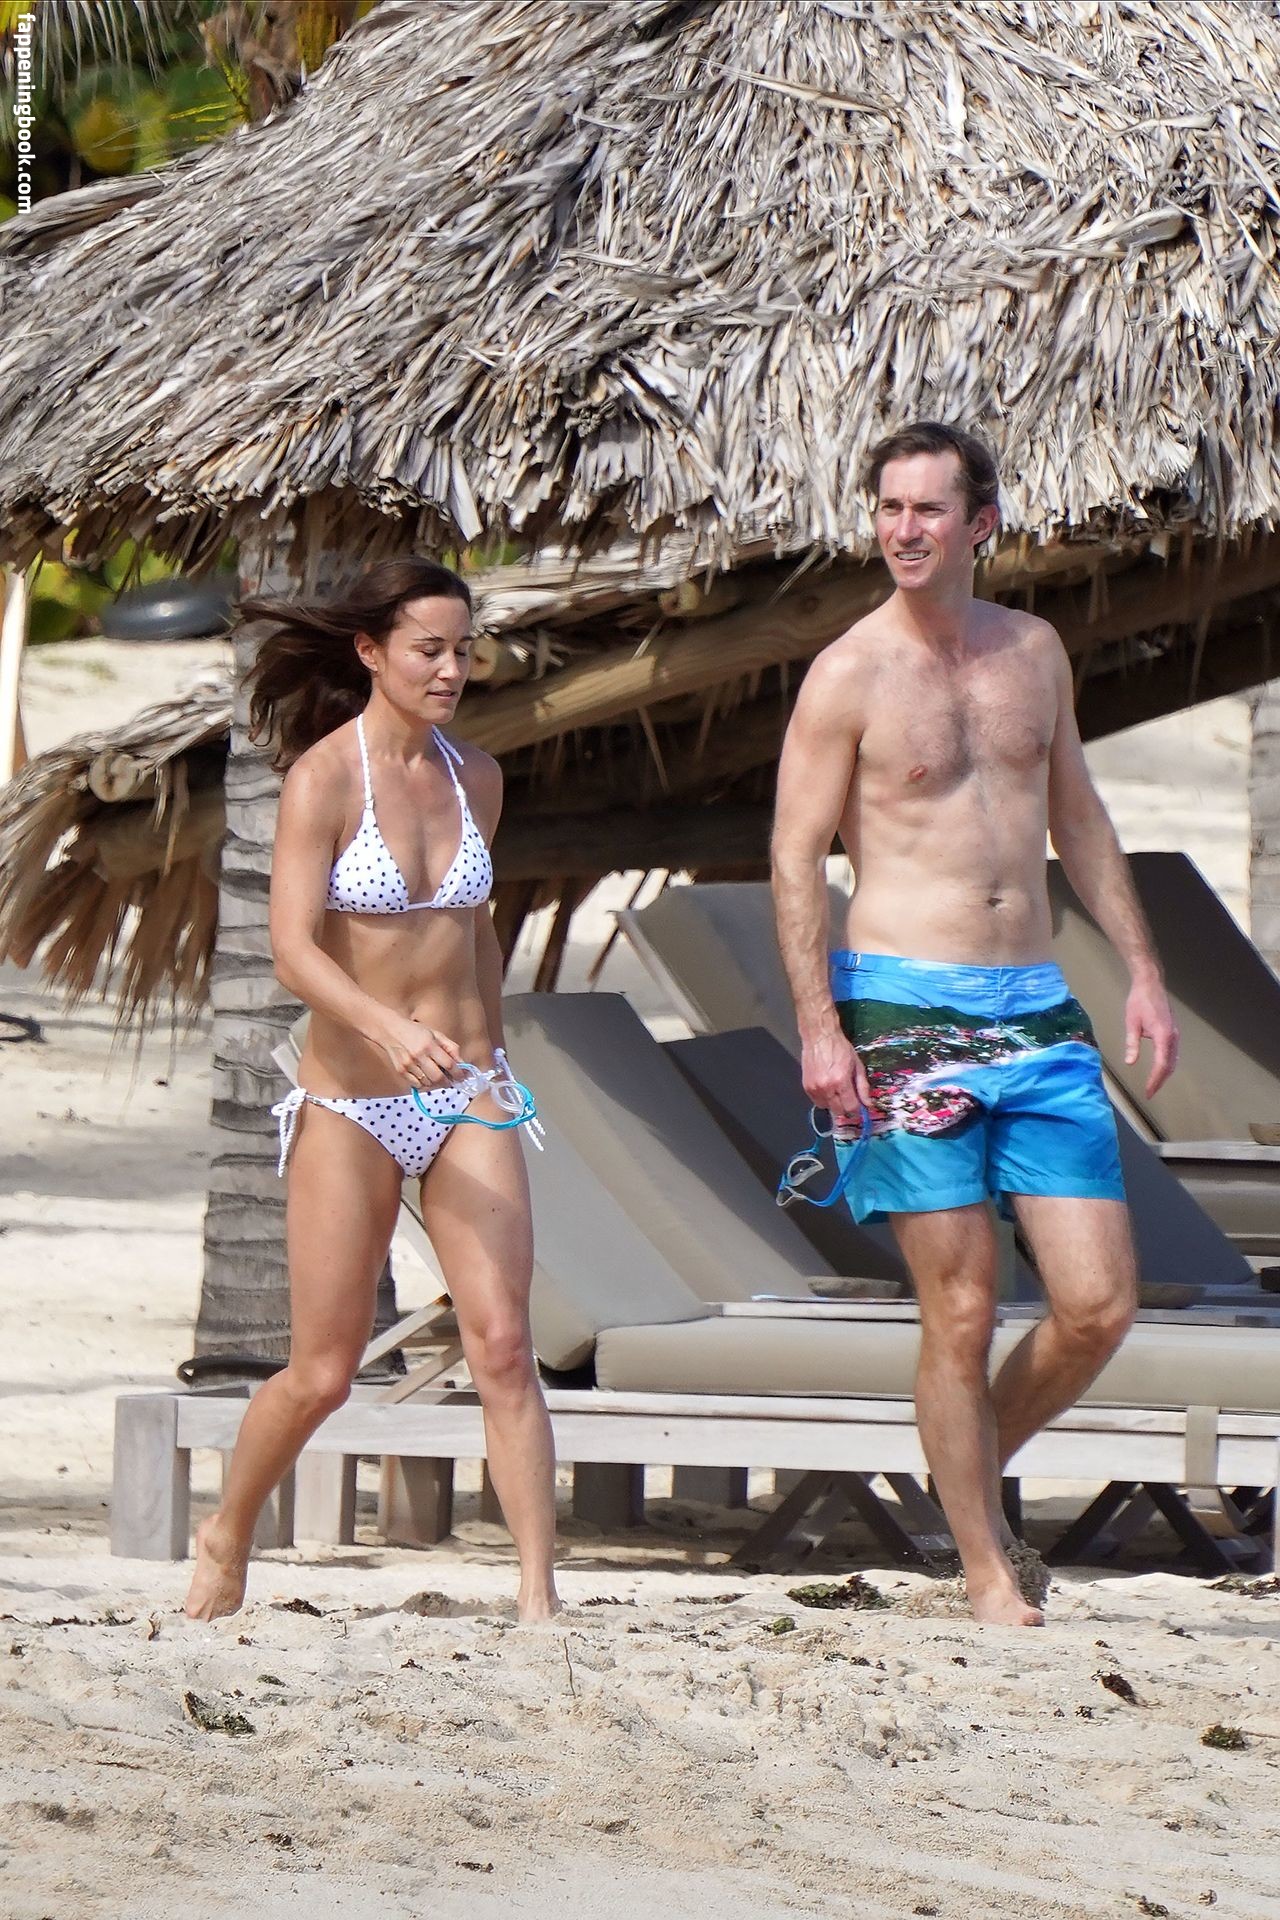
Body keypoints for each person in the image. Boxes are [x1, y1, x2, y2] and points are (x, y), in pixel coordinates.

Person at [771, 421, 1178, 1627]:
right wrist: (818, 1028)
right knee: (958, 1306)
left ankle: (959, 1479)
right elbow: (793, 858)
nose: (902, 530)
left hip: (1036, 1009)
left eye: (927, 510)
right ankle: (986, 1564)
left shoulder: (1032, 652)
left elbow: (1079, 820)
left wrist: (1141, 971)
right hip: (901, 1009)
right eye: (887, 508)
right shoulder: (846, 673)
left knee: (1097, 1305)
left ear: (980, 523)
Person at [184, 557, 560, 1625]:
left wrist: (495, 1061)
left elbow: (473, 932)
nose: (450, 670)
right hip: (351, 1103)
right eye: (427, 650)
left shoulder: (477, 776)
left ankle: (539, 1600)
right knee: (323, 1370)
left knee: (502, 1345)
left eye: (462, 650)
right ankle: (228, 1532)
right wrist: (387, 1030)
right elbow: (293, 951)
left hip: (466, 1092)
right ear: (370, 652)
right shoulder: (324, 779)